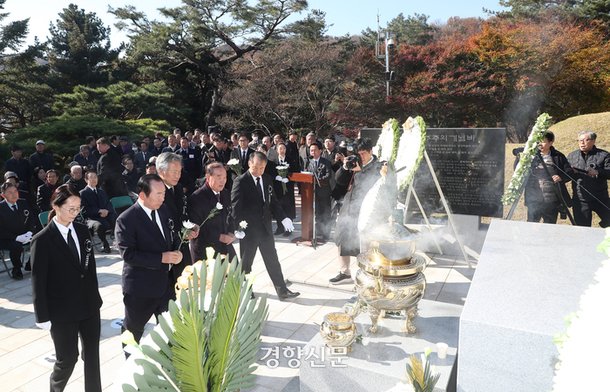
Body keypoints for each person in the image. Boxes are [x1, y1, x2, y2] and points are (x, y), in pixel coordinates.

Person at [31, 184, 103, 392]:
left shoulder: (81, 230)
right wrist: (41, 316)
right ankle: (56, 389)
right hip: (62, 311)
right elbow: (38, 281)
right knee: (67, 359)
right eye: (70, 208)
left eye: (78, 208)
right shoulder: (42, 240)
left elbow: (89, 269)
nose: (75, 212)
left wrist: (95, 297)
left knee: (92, 356)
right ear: (56, 205)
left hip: (89, 305)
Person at [115, 174, 182, 349]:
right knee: (132, 331)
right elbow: (128, 254)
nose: (163, 197)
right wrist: (162, 258)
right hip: (140, 288)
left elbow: (172, 236)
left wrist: (177, 251)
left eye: (163, 193)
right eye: (158, 194)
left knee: (172, 328)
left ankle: (170, 365)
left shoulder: (164, 210)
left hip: (164, 285)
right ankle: (130, 368)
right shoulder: (126, 219)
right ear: (143, 195)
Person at [231, 152, 300, 300]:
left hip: (265, 229)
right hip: (248, 231)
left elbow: (273, 201)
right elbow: (235, 207)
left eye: (262, 168)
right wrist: (238, 228)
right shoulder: (241, 181)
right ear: (249, 163)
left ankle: (282, 290)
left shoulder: (267, 179)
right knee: (246, 263)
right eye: (256, 167)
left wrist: (283, 218)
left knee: (272, 260)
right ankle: (245, 289)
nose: (259, 171)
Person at [330, 138, 394, 284]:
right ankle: (344, 272)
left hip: (367, 211)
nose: (361, 156)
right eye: (359, 153)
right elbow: (339, 180)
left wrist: (361, 171)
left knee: (364, 244)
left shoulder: (379, 166)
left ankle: (367, 277)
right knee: (341, 238)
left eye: (364, 153)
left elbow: (375, 185)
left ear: (371, 151)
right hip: (348, 207)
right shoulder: (354, 162)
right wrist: (345, 167)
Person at [156, 152, 198, 288]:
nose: (178, 175)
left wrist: (190, 227)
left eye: (179, 171)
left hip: (181, 246)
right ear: (161, 171)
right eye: (174, 171)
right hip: (165, 249)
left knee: (186, 285)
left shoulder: (178, 188)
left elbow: (182, 214)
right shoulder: (155, 191)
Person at [188, 162, 237, 262]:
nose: (222, 181)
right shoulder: (197, 197)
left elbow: (231, 216)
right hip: (205, 250)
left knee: (237, 275)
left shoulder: (225, 193)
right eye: (218, 177)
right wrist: (218, 236)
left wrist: (232, 232)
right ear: (208, 176)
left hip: (225, 247)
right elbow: (197, 226)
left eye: (224, 177)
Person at [524, 131, 572, 224]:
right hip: (534, 199)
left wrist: (560, 177)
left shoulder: (558, 156)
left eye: (542, 141)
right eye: (538, 141)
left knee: (549, 227)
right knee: (531, 226)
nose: (539, 144)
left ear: (550, 142)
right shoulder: (530, 155)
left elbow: (569, 173)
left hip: (552, 200)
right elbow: (518, 169)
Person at [567, 131, 610, 227]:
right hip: (580, 200)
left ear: (593, 141)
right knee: (582, 230)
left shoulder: (604, 155)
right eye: (580, 140)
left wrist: (598, 172)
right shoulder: (572, 156)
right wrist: (571, 172)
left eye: (586, 140)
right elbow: (565, 174)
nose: (582, 143)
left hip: (600, 198)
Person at [0, 182, 40, 279]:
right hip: (6, 238)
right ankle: (16, 268)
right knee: (16, 246)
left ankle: (30, 264)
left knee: (40, 239)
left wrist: (30, 232)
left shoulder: (23, 202)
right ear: (3, 195)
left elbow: (31, 219)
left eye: (15, 191)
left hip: (25, 234)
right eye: (10, 192)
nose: (14, 194)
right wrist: (16, 237)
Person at [80, 171, 117, 253]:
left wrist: (107, 211)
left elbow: (108, 203)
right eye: (91, 177)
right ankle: (105, 244)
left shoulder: (101, 191)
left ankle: (118, 240)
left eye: (95, 177)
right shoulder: (83, 193)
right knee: (98, 225)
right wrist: (99, 211)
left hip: (104, 215)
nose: (94, 179)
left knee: (117, 218)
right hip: (90, 217)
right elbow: (84, 209)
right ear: (86, 180)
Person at [306, 141, 333, 241]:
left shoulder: (326, 162)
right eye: (311, 150)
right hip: (312, 193)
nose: (312, 152)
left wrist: (318, 180)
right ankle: (318, 231)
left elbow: (328, 175)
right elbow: (305, 173)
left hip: (324, 192)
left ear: (320, 151)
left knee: (325, 212)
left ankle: (326, 233)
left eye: (314, 150)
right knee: (316, 213)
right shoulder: (309, 162)